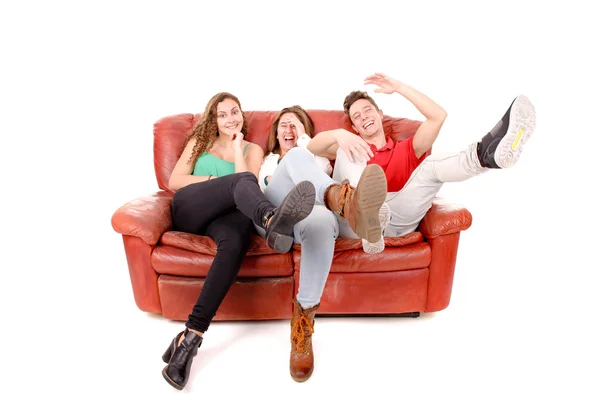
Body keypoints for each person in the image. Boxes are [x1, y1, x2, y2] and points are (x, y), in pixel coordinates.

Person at [161, 92, 316, 391]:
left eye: (235, 112)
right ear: (213, 119)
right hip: (192, 210)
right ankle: (271, 219)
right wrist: (214, 184)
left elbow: (248, 181)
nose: (230, 119)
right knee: (239, 181)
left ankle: (190, 338)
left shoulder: (253, 149)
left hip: (228, 218)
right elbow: (175, 182)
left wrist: (236, 149)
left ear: (242, 116)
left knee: (235, 241)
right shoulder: (199, 143)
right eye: (223, 114)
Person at [307, 71, 537, 244]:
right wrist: (339, 133)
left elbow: (438, 116)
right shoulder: (351, 145)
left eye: (367, 110)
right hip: (353, 221)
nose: (364, 117)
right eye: (356, 117)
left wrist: (398, 87)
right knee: (344, 151)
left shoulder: (407, 148)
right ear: (355, 127)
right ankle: (364, 213)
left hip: (395, 218)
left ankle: (487, 155)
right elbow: (312, 148)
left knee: (430, 165)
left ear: (379, 114)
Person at [255, 105, 388, 383]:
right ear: (275, 133)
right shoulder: (266, 159)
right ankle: (341, 200)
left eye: (296, 125)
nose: (289, 130)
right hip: (273, 214)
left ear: (307, 131)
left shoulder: (320, 159)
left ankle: (303, 322)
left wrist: (311, 144)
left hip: (311, 212)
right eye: (284, 125)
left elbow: (317, 149)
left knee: (321, 221)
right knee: (294, 158)